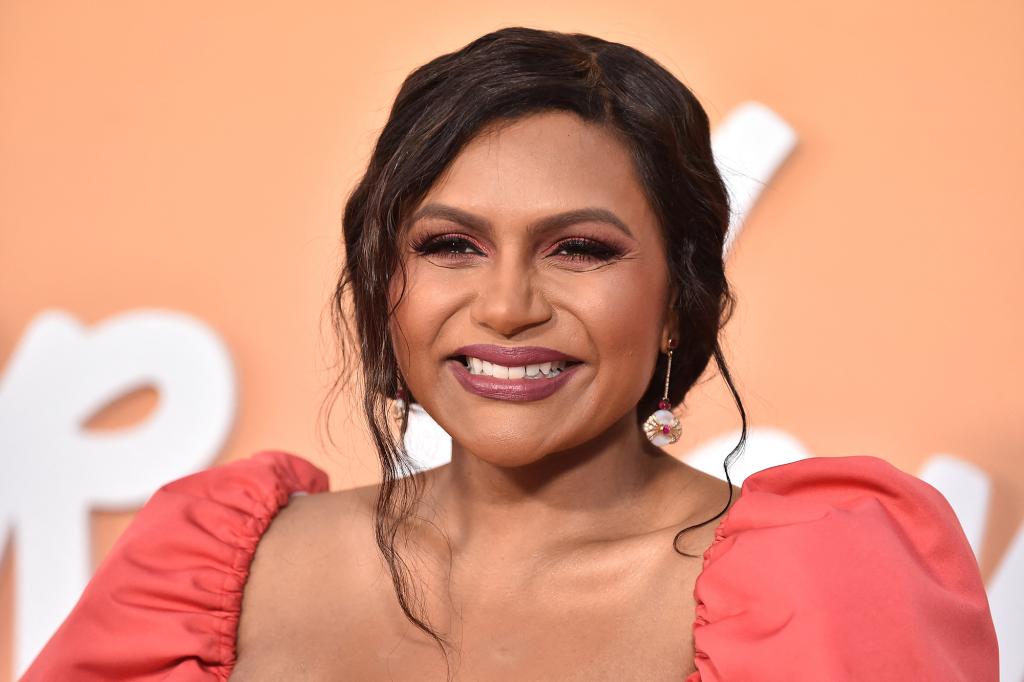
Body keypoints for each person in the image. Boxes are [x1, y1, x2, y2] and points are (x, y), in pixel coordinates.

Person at [22, 26, 998, 681]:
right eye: (450, 245)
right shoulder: (212, 569)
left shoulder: (822, 591)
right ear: (382, 282)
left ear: (679, 299)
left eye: (580, 249)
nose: (505, 304)